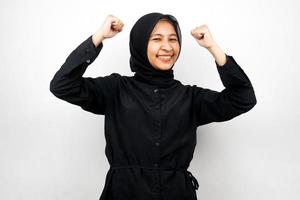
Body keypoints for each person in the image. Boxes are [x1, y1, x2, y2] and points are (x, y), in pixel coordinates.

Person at [50, 12, 257, 200]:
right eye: (156, 39)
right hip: (123, 194)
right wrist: (98, 37)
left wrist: (213, 47)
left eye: (173, 39)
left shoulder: (191, 98)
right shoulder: (115, 89)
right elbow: (62, 85)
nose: (167, 47)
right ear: (140, 44)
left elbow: (244, 98)